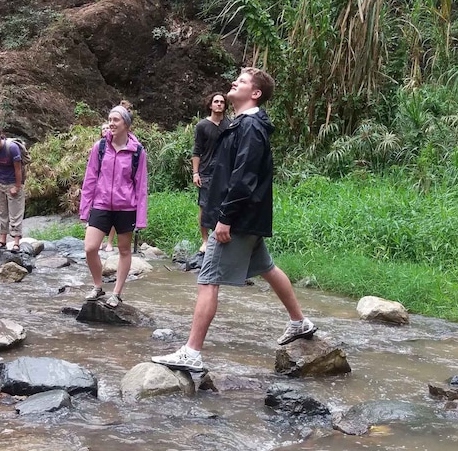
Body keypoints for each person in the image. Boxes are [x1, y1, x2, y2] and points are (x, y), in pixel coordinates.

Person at [152, 68, 317, 372]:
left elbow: (244, 178)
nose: (233, 83)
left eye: (241, 82)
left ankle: (191, 353)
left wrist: (224, 219)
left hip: (236, 219)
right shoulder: (244, 123)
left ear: (255, 93)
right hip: (247, 218)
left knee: (207, 280)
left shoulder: (251, 126)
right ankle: (300, 322)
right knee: (266, 267)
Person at [79, 102, 148, 308]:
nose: (111, 124)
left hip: (126, 207)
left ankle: (116, 293)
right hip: (101, 204)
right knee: (90, 248)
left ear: (126, 125)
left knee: (124, 250)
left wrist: (141, 218)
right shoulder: (99, 147)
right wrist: (85, 209)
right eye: (109, 120)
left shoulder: (137, 152)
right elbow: (90, 178)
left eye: (115, 120)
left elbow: (141, 185)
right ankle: (98, 286)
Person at [192, 92, 229, 254]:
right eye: (216, 101)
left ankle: (221, 238)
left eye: (222, 102)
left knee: (224, 206)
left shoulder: (230, 124)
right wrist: (195, 173)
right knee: (204, 206)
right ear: (210, 105)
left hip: (226, 172)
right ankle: (205, 240)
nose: (219, 104)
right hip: (206, 172)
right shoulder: (202, 126)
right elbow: (196, 151)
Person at [0, 124, 25, 252]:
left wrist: (17, 187)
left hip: (14, 182)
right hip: (0, 182)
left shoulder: (12, 148)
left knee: (15, 213)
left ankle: (16, 242)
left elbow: (18, 169)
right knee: (1, 212)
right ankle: (2, 240)